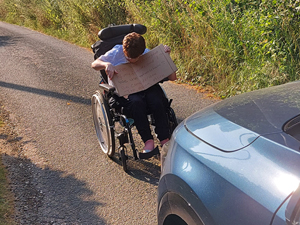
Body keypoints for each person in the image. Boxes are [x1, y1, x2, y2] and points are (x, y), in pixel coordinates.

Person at [91, 32, 177, 158]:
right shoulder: (116, 52)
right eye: (129, 57)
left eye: (136, 58)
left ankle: (164, 138)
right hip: (127, 91)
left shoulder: (146, 53)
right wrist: (106, 64)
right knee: (137, 103)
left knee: (157, 99)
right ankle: (148, 141)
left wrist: (166, 57)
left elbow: (172, 77)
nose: (132, 60)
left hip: (146, 87)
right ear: (124, 50)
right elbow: (94, 65)